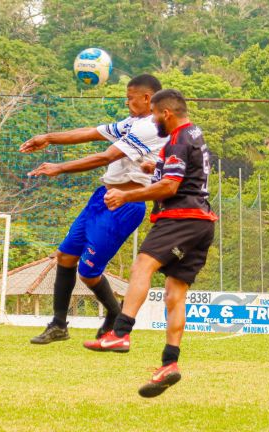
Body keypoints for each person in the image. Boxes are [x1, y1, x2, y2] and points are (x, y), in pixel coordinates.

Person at [83, 89, 217, 398]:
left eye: (154, 114)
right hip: (202, 222)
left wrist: (126, 194)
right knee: (175, 294)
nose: (152, 120)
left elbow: (170, 186)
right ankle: (170, 363)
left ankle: (120, 332)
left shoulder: (177, 139)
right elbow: (181, 174)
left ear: (165, 113)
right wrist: (152, 168)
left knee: (142, 264)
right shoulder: (194, 134)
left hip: (180, 218)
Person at [19, 74, 167, 345]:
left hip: (126, 202)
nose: (127, 100)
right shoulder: (131, 122)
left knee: (88, 272)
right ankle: (59, 325)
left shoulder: (151, 127)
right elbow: (92, 132)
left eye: (130, 96)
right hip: (102, 197)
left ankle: (115, 314)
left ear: (147, 98)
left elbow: (106, 156)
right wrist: (48, 138)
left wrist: (60, 168)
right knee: (64, 256)